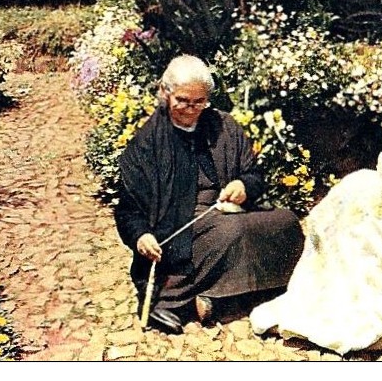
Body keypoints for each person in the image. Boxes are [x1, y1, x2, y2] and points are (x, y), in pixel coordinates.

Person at [114, 55, 304, 334]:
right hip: (178, 224)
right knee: (231, 232)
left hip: (228, 210)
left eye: (199, 102)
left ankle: (237, 295)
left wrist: (243, 186)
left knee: (285, 221)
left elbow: (254, 175)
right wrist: (141, 236)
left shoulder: (224, 126)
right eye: (182, 100)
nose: (191, 109)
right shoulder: (147, 144)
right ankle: (183, 303)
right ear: (165, 93)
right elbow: (127, 208)